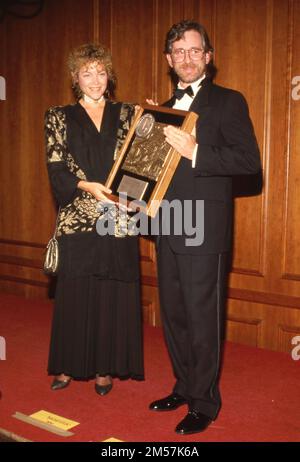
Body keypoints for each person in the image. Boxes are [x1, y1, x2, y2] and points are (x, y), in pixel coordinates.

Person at [148, 20, 261, 434]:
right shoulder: (160, 109)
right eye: (178, 52)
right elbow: (152, 173)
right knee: (175, 315)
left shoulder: (229, 102)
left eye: (195, 50)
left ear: (208, 57)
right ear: (168, 60)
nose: (187, 58)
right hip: (167, 223)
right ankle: (184, 385)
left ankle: (205, 402)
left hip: (204, 226)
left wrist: (197, 150)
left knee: (201, 316)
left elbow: (250, 164)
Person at [45, 43, 144, 395]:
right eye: (87, 73)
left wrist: (130, 200)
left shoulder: (128, 114)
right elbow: (56, 168)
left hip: (117, 214)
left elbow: (137, 164)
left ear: (109, 75)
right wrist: (86, 186)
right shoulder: (58, 116)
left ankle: (104, 368)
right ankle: (68, 366)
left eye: (101, 72)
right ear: (75, 78)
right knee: (75, 291)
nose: (95, 80)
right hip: (77, 214)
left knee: (110, 291)